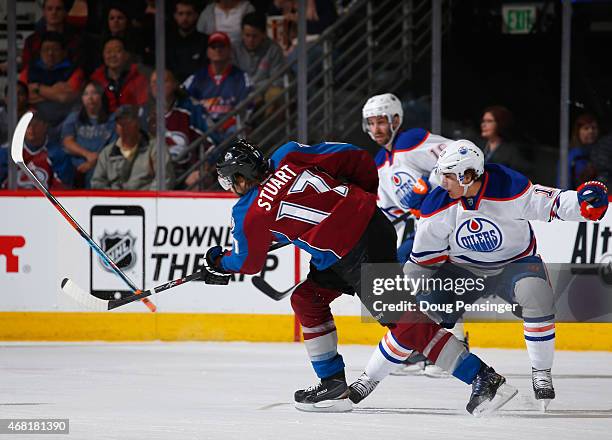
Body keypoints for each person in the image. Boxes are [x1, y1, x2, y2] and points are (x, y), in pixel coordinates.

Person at [201, 138, 518, 416]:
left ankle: (483, 377)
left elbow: (247, 261)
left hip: (353, 253)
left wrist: (218, 261)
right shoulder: (288, 154)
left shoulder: (247, 211)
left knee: (404, 321)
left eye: (230, 182)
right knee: (307, 298)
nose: (231, 189)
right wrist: (359, 199)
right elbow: (356, 157)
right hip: (369, 228)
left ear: (241, 178)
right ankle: (332, 384)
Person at [354, 139, 609, 411]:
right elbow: (422, 261)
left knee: (537, 295)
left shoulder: (510, 186)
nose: (443, 183)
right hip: (462, 269)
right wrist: (402, 299)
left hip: (515, 263)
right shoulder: (437, 205)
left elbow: (554, 203)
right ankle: (368, 378)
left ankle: (541, 373)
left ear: (467, 175)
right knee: (417, 320)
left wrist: (583, 204)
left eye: (449, 176)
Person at [362, 93, 466, 377]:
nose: (376, 129)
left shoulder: (411, 142)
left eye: (381, 121)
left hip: (446, 223)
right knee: (400, 282)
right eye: (371, 123)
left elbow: (459, 152)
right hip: (421, 230)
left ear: (396, 120)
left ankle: (450, 344)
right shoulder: (381, 161)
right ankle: (420, 346)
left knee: (425, 284)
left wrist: (430, 183)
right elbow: (389, 208)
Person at [143, 69, 215, 187]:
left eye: (163, 81)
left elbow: (212, 142)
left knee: (198, 180)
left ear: (174, 84)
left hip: (185, 174)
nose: (158, 86)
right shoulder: (145, 114)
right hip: (153, 176)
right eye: (154, 83)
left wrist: (202, 169)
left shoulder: (191, 110)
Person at [183, 32, 251, 138]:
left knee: (237, 131)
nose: (217, 50)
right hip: (203, 128)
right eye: (213, 47)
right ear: (208, 52)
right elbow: (184, 100)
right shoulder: (196, 78)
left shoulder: (241, 77)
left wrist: (225, 125)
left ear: (229, 50)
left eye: (222, 46)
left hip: (231, 129)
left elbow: (246, 108)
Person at [91, 105, 174, 190]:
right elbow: (97, 182)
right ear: (116, 128)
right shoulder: (107, 153)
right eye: (120, 123)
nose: (124, 127)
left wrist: (144, 200)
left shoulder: (156, 148)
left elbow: (164, 180)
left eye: (128, 122)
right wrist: (115, 197)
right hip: (114, 202)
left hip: (145, 201)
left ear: (138, 123)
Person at [19, 32, 85, 138]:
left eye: (55, 49)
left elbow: (65, 97)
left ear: (64, 52)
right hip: (35, 121)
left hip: (65, 121)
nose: (50, 53)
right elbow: (21, 96)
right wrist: (54, 92)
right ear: (40, 52)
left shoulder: (74, 71)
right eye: (46, 49)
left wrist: (36, 88)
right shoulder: (29, 70)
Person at [61, 81, 117, 188]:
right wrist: (87, 155)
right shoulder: (74, 117)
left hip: (102, 165)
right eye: (86, 94)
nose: (90, 98)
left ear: (102, 97)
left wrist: (93, 162)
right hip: (76, 167)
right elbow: (67, 142)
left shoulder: (112, 119)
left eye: (94, 93)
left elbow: (113, 146)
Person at [0, 112, 73, 189]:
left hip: (42, 199)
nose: (31, 128)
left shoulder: (57, 153)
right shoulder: (8, 152)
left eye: (35, 124)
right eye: (27, 125)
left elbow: (62, 187)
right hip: (11, 199)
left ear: (45, 125)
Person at [90, 37, 149, 113]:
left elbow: (143, 106)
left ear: (126, 55)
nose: (113, 55)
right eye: (108, 52)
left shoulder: (139, 77)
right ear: (103, 55)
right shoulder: (95, 79)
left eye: (118, 51)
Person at [21, 0, 83, 70]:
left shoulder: (76, 41)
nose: (54, 12)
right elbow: (26, 70)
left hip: (68, 78)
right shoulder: (32, 41)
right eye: (49, 9)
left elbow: (80, 69)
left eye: (58, 9)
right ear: (44, 12)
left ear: (65, 12)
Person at [480, 105, 532, 177]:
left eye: (489, 121)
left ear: (500, 124)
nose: (483, 125)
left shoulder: (512, 151)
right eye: (483, 121)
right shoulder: (479, 145)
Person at [166, 0, 209, 83]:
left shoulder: (205, 41)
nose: (185, 18)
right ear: (175, 16)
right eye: (181, 14)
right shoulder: (168, 42)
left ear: (196, 16)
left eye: (189, 13)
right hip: (174, 90)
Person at [564, 113, 600, 189]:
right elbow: (563, 185)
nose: (591, 131)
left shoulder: (603, 153)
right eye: (586, 128)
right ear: (578, 131)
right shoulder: (571, 156)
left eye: (594, 128)